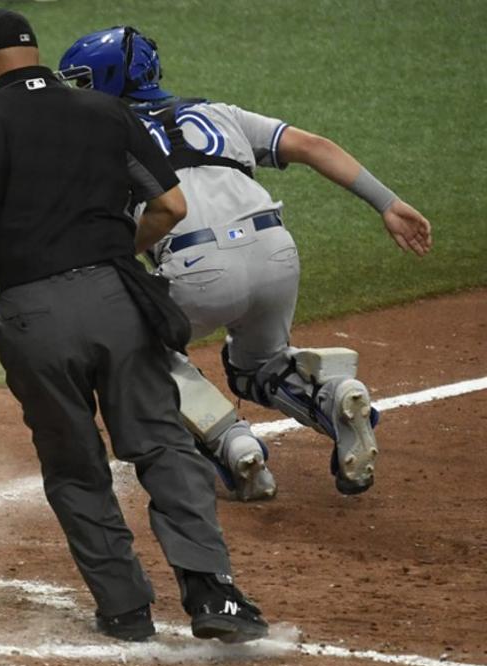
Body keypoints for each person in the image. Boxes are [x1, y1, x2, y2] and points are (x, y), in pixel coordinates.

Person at [0, 9, 268, 643]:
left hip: (34, 317)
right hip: (118, 303)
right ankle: (214, 593)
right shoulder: (106, 111)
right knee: (162, 445)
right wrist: (114, 254)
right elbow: (170, 205)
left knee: (76, 465)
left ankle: (125, 611)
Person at [57, 26, 433, 498]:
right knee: (258, 366)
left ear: (110, 79)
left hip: (196, 267)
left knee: (130, 353)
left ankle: (231, 443)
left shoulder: (99, 137)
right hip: (275, 251)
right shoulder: (219, 113)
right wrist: (387, 204)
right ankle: (333, 395)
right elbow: (313, 146)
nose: (75, 93)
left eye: (83, 81)